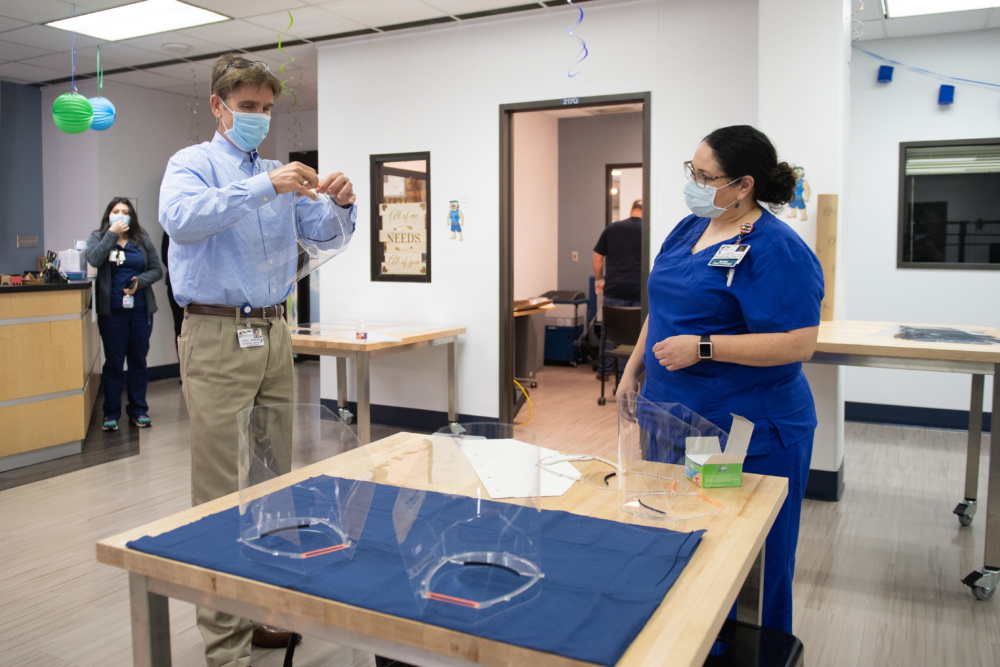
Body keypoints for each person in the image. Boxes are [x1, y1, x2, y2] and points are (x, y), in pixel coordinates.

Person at [159, 53, 357, 666]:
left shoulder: (278, 171)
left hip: (273, 336)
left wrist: (343, 205)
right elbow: (180, 221)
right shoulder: (191, 165)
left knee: (274, 484)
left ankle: (258, 617)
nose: (258, 119)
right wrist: (259, 187)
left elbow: (322, 235)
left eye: (266, 110)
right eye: (247, 108)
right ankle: (225, 645)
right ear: (219, 107)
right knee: (220, 492)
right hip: (217, 336)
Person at [620, 125, 823, 634]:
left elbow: (800, 342)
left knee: (737, 555)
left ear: (744, 185)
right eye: (693, 171)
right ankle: (687, 644)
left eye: (706, 176)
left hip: (736, 430)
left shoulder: (777, 247)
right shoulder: (691, 228)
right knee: (677, 541)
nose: (694, 183)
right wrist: (632, 370)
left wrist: (705, 347)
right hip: (671, 418)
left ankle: (745, 649)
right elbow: (666, 306)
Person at [86, 197, 163, 432]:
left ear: (132, 216)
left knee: (138, 360)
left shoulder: (142, 240)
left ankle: (139, 410)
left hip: (140, 311)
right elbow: (94, 259)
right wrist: (111, 234)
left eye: (125, 212)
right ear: (108, 215)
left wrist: (140, 281)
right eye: (116, 211)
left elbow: (157, 270)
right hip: (112, 313)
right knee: (114, 363)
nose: (121, 215)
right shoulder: (99, 237)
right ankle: (111, 413)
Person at [593, 199, 642, 380]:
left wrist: (599, 279)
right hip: (639, 292)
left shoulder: (612, 228)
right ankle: (625, 377)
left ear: (632, 210)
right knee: (633, 337)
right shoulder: (649, 228)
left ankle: (604, 373)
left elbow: (598, 256)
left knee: (610, 332)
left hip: (614, 290)